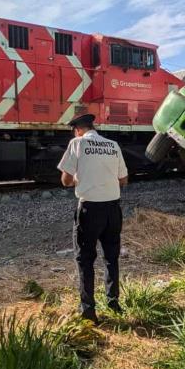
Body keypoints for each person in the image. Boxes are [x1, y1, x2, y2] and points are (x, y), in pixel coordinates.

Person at [57, 113, 128, 323]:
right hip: (113, 211)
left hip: (90, 210)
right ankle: (114, 303)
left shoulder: (77, 144)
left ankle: (88, 312)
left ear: (77, 129)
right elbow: (123, 179)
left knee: (85, 260)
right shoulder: (113, 145)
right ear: (92, 126)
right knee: (111, 257)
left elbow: (66, 180)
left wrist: (79, 179)